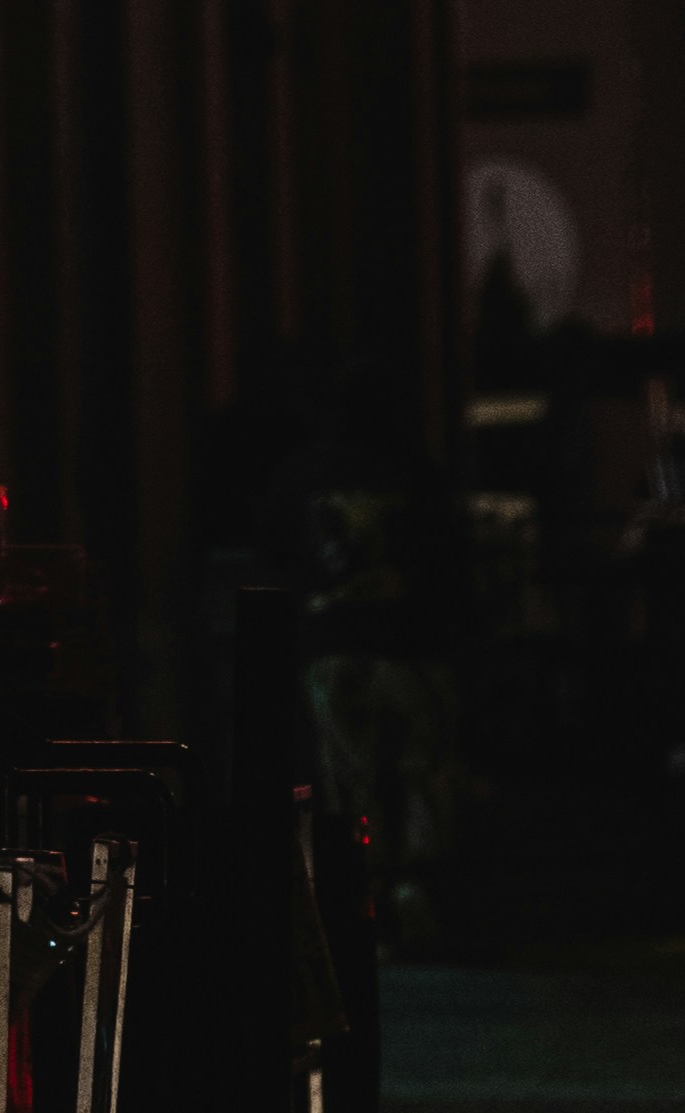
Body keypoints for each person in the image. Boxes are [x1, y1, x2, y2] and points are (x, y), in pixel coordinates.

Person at [260, 357, 466, 953]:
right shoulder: (417, 474)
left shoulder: (305, 473)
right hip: (409, 646)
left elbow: (271, 550)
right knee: (422, 771)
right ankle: (415, 891)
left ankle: (364, 901)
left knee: (350, 778)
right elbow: (451, 562)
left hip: (335, 645)